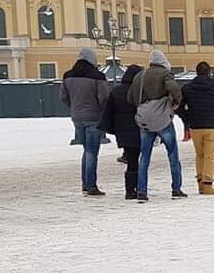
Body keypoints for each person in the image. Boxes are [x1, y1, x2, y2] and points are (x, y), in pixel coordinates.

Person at [130, 50, 186, 201]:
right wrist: (175, 103)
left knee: (144, 157)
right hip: (163, 120)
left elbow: (130, 98)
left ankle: (142, 191)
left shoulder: (139, 76)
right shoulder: (165, 74)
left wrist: (144, 106)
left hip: (145, 121)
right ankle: (176, 189)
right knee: (173, 155)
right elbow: (175, 90)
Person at [60, 47, 110, 196]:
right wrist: (103, 111)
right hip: (94, 117)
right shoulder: (98, 77)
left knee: (86, 150)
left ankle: (85, 183)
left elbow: (63, 97)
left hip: (77, 117)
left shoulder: (67, 76)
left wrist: (74, 107)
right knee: (92, 152)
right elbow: (103, 98)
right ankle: (91, 185)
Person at [178, 61, 214, 195]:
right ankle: (207, 184)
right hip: (212, 125)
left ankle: (200, 184)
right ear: (209, 73)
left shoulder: (187, 88)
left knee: (200, 155)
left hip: (195, 126)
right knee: (210, 156)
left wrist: (187, 118)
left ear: (196, 72)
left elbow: (179, 107)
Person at [98, 64, 144, 200]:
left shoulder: (116, 91)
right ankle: (136, 189)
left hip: (122, 131)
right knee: (137, 160)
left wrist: (112, 129)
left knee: (132, 160)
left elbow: (109, 112)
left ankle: (131, 190)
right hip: (138, 128)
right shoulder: (139, 91)